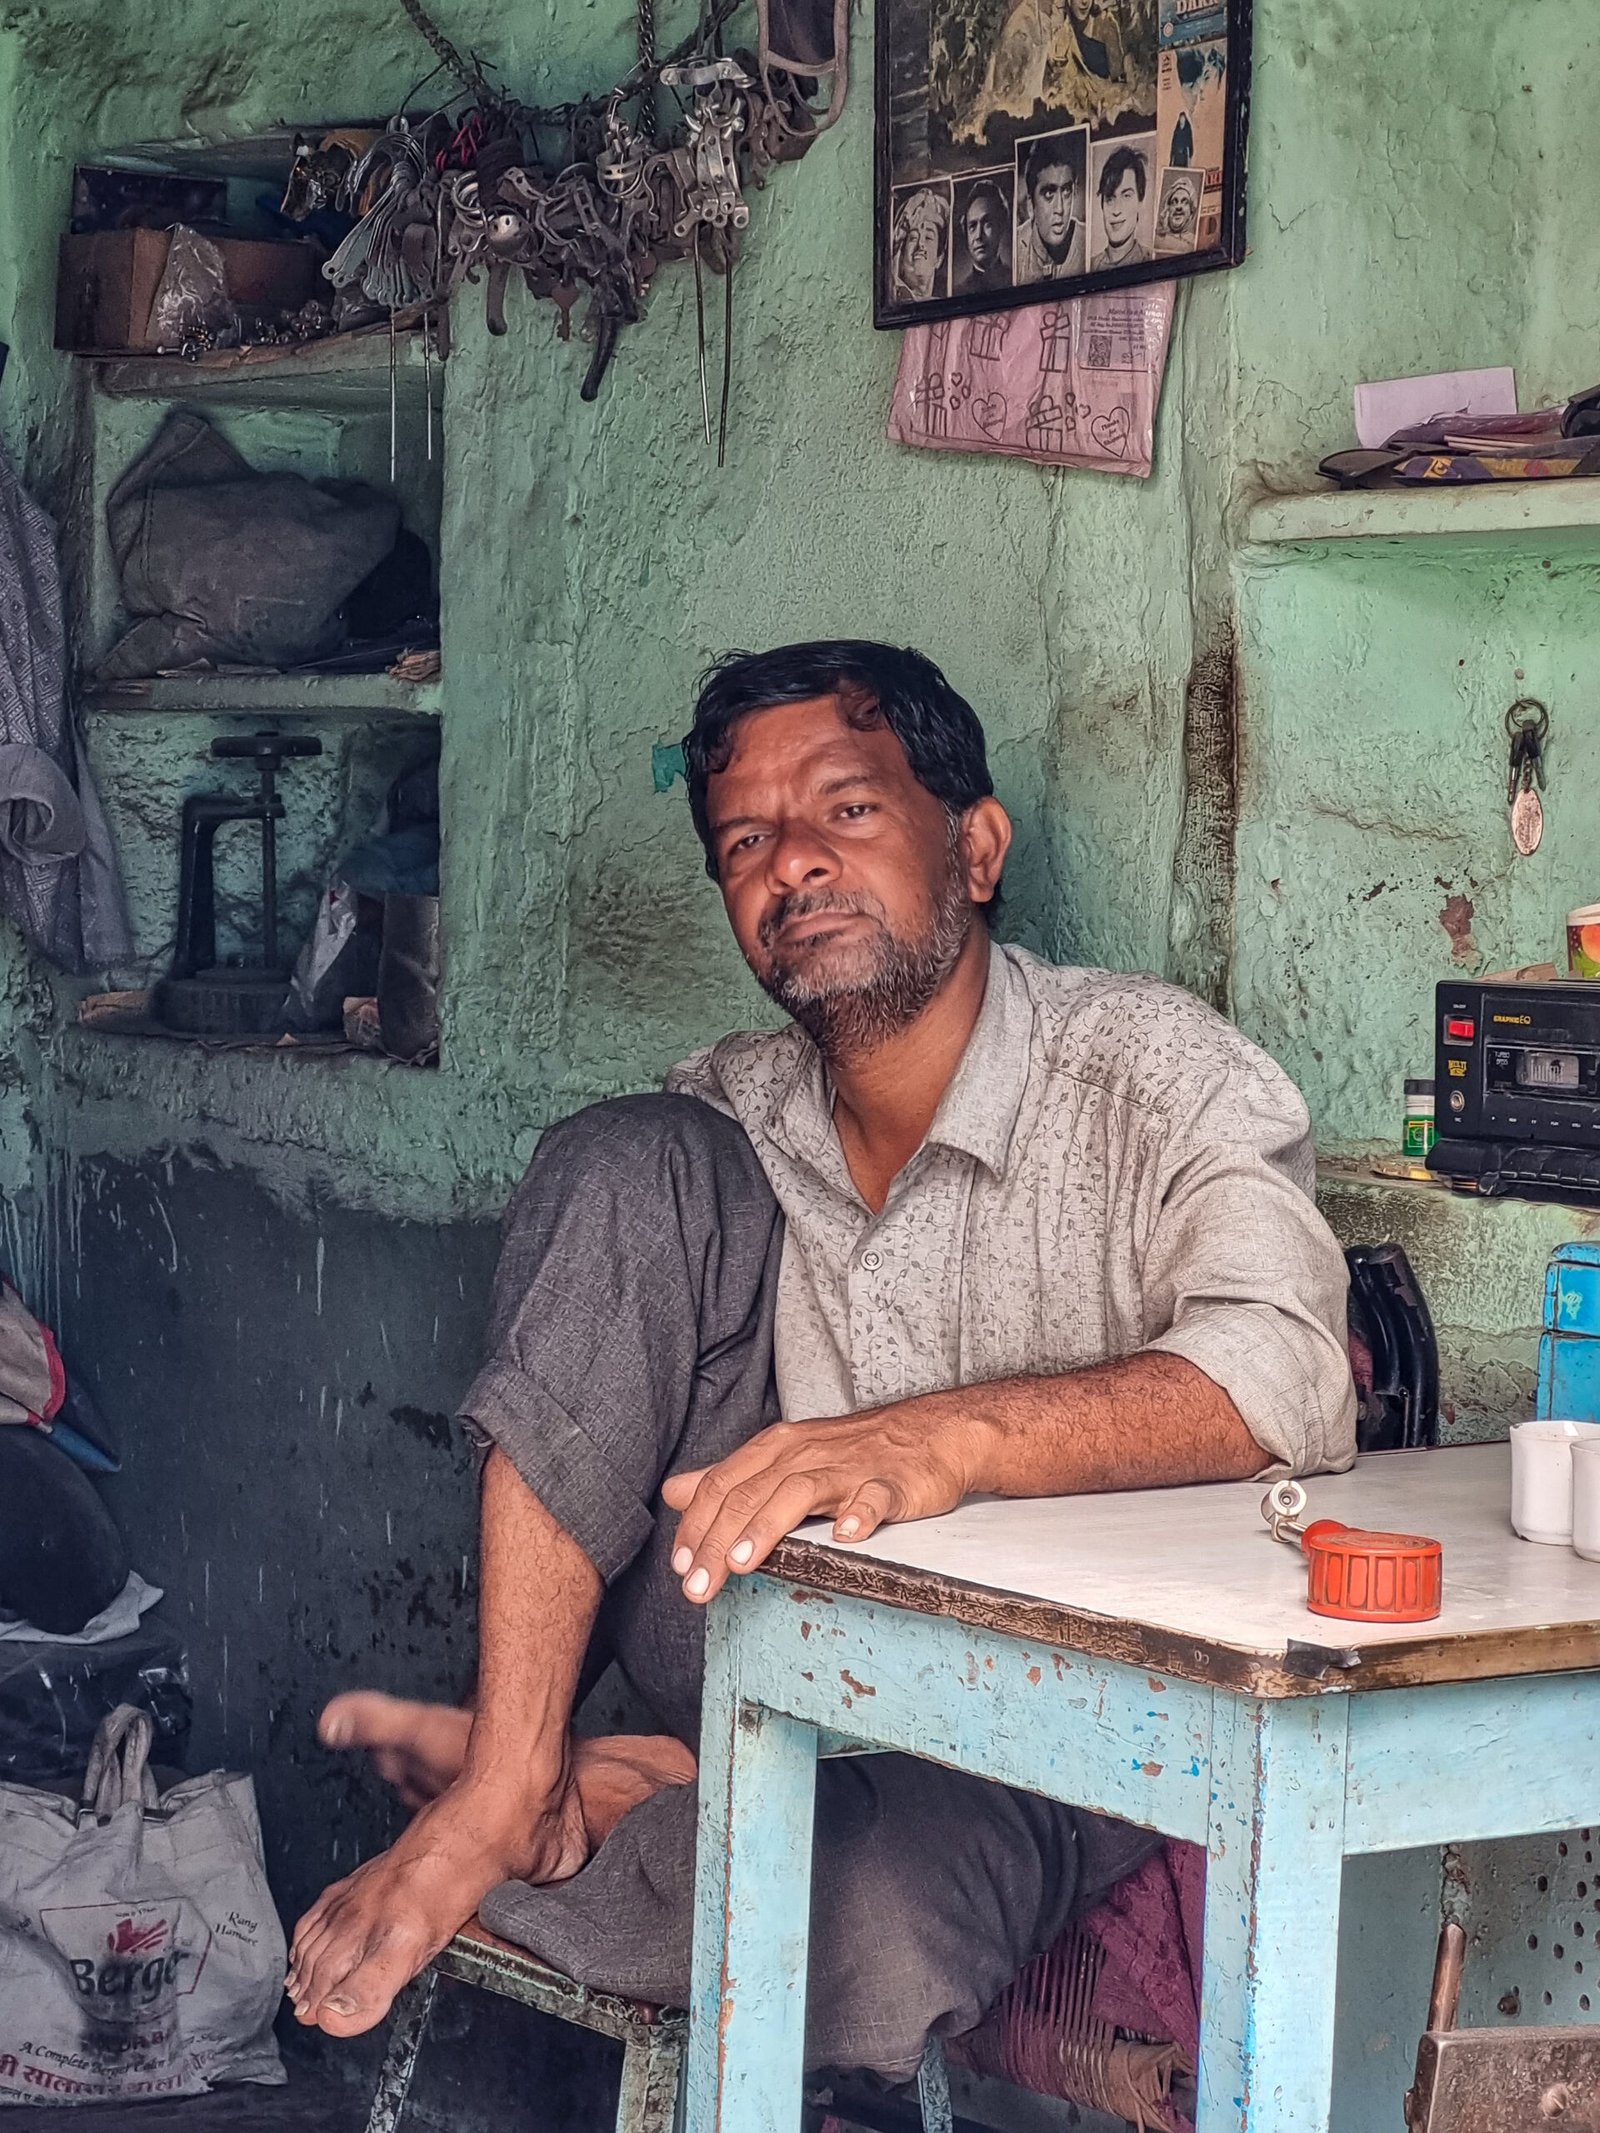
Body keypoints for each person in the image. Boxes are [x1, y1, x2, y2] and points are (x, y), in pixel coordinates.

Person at [286, 641, 1356, 2081]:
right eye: (746, 839)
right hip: (766, 1657)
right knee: (622, 1163)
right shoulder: (729, 1108)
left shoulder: (1156, 1078)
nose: (792, 862)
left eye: (847, 811)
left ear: (975, 846)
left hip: (1043, 1725)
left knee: (860, 1937)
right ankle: (509, 1783)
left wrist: (940, 1442)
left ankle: (612, 1801)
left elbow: (1285, 1369)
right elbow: (602, 1374)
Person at [1013, 136, 1085, 282]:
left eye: (1066, 191)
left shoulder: (1088, 241)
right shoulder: (1014, 249)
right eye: (1048, 194)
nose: (1060, 209)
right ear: (1030, 204)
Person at [1091, 144, 1152, 269]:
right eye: (1110, 199)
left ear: (1140, 202)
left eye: (1126, 196)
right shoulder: (1089, 267)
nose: (1116, 210)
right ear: (1102, 206)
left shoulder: (1152, 260)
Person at [891, 187, 950, 303]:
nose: (921, 244)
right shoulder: (892, 300)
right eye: (913, 238)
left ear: (939, 258)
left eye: (928, 237)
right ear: (901, 254)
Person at [953, 179, 1012, 296]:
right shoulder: (958, 292)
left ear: (1001, 226)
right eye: (972, 226)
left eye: (987, 224)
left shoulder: (1014, 280)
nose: (979, 236)